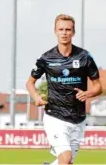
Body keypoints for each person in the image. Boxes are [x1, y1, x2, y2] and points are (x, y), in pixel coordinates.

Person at [26, 14, 102, 165]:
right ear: (55, 31)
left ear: (73, 33)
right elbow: (30, 83)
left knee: (67, 162)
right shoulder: (46, 58)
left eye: (68, 29)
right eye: (61, 29)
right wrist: (36, 97)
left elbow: (98, 86)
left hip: (78, 118)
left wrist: (89, 93)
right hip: (55, 116)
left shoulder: (84, 57)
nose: (64, 33)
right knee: (66, 159)